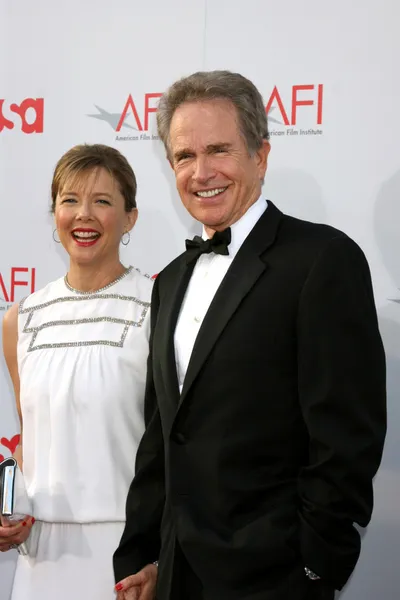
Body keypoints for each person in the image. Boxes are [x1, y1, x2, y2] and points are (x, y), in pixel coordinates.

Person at [113, 71, 387, 600]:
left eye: (219, 150)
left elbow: (346, 438)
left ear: (260, 156)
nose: (201, 172)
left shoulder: (321, 261)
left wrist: (312, 565)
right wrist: (149, 553)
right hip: (176, 575)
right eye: (184, 157)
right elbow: (163, 434)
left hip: (275, 576)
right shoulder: (169, 280)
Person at [1, 144, 153, 600]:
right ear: (54, 214)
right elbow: (30, 439)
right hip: (41, 555)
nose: (83, 215)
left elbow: (177, 448)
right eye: (69, 200)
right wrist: (14, 514)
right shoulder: (21, 318)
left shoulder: (159, 308)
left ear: (130, 218)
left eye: (102, 201)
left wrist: (160, 556)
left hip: (128, 555)